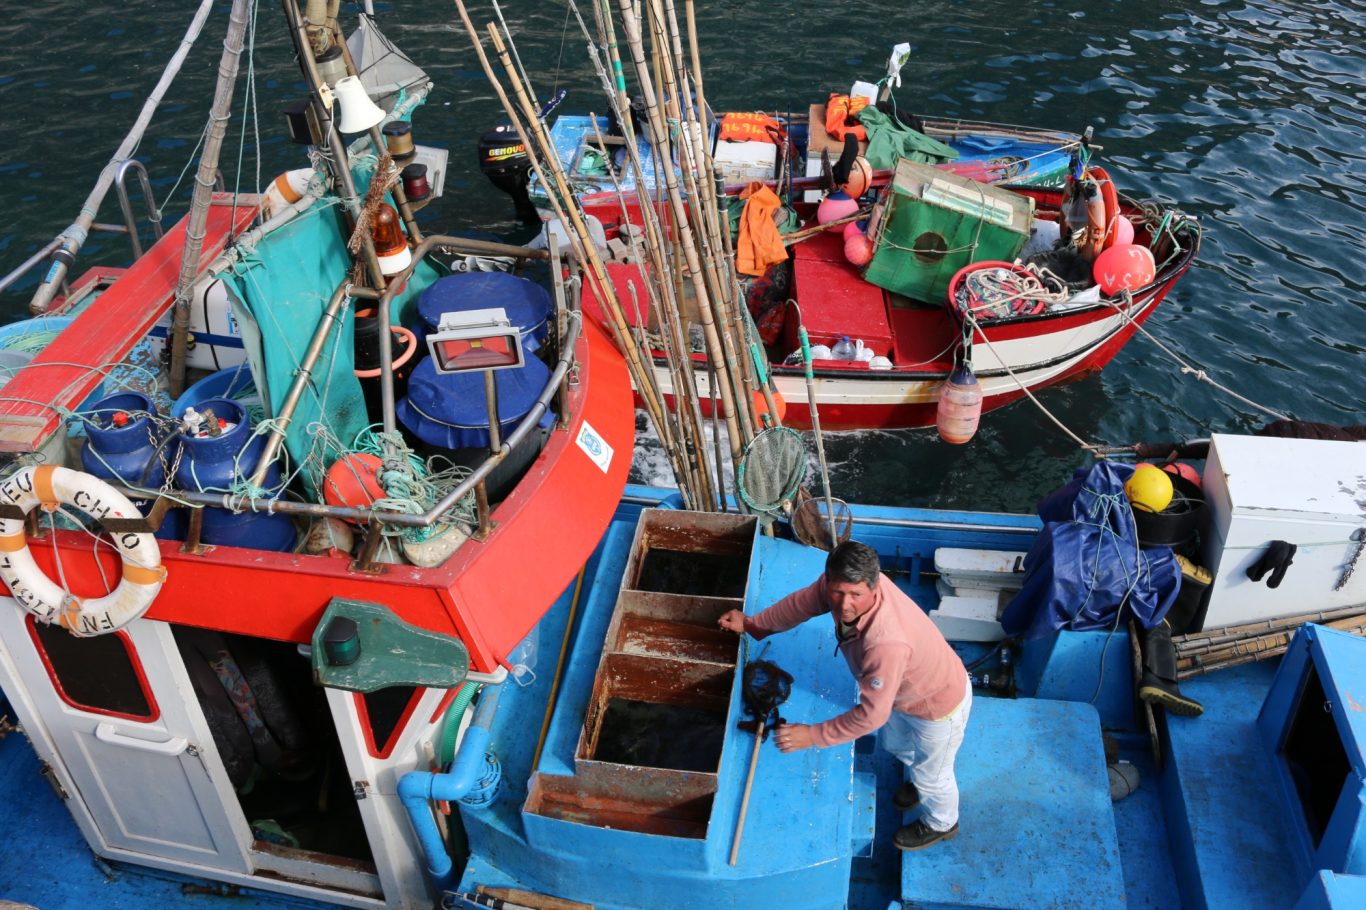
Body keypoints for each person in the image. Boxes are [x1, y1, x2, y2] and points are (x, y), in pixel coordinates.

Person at [718, 539, 971, 851]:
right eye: (837, 592)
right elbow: (800, 605)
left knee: (935, 775)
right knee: (895, 744)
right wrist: (753, 624)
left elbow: (872, 715)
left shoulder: (886, 643)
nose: (844, 604)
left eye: (855, 595)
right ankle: (918, 783)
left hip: (939, 706)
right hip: (900, 696)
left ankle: (942, 822)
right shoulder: (837, 587)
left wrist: (813, 735)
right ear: (829, 580)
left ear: (874, 587)